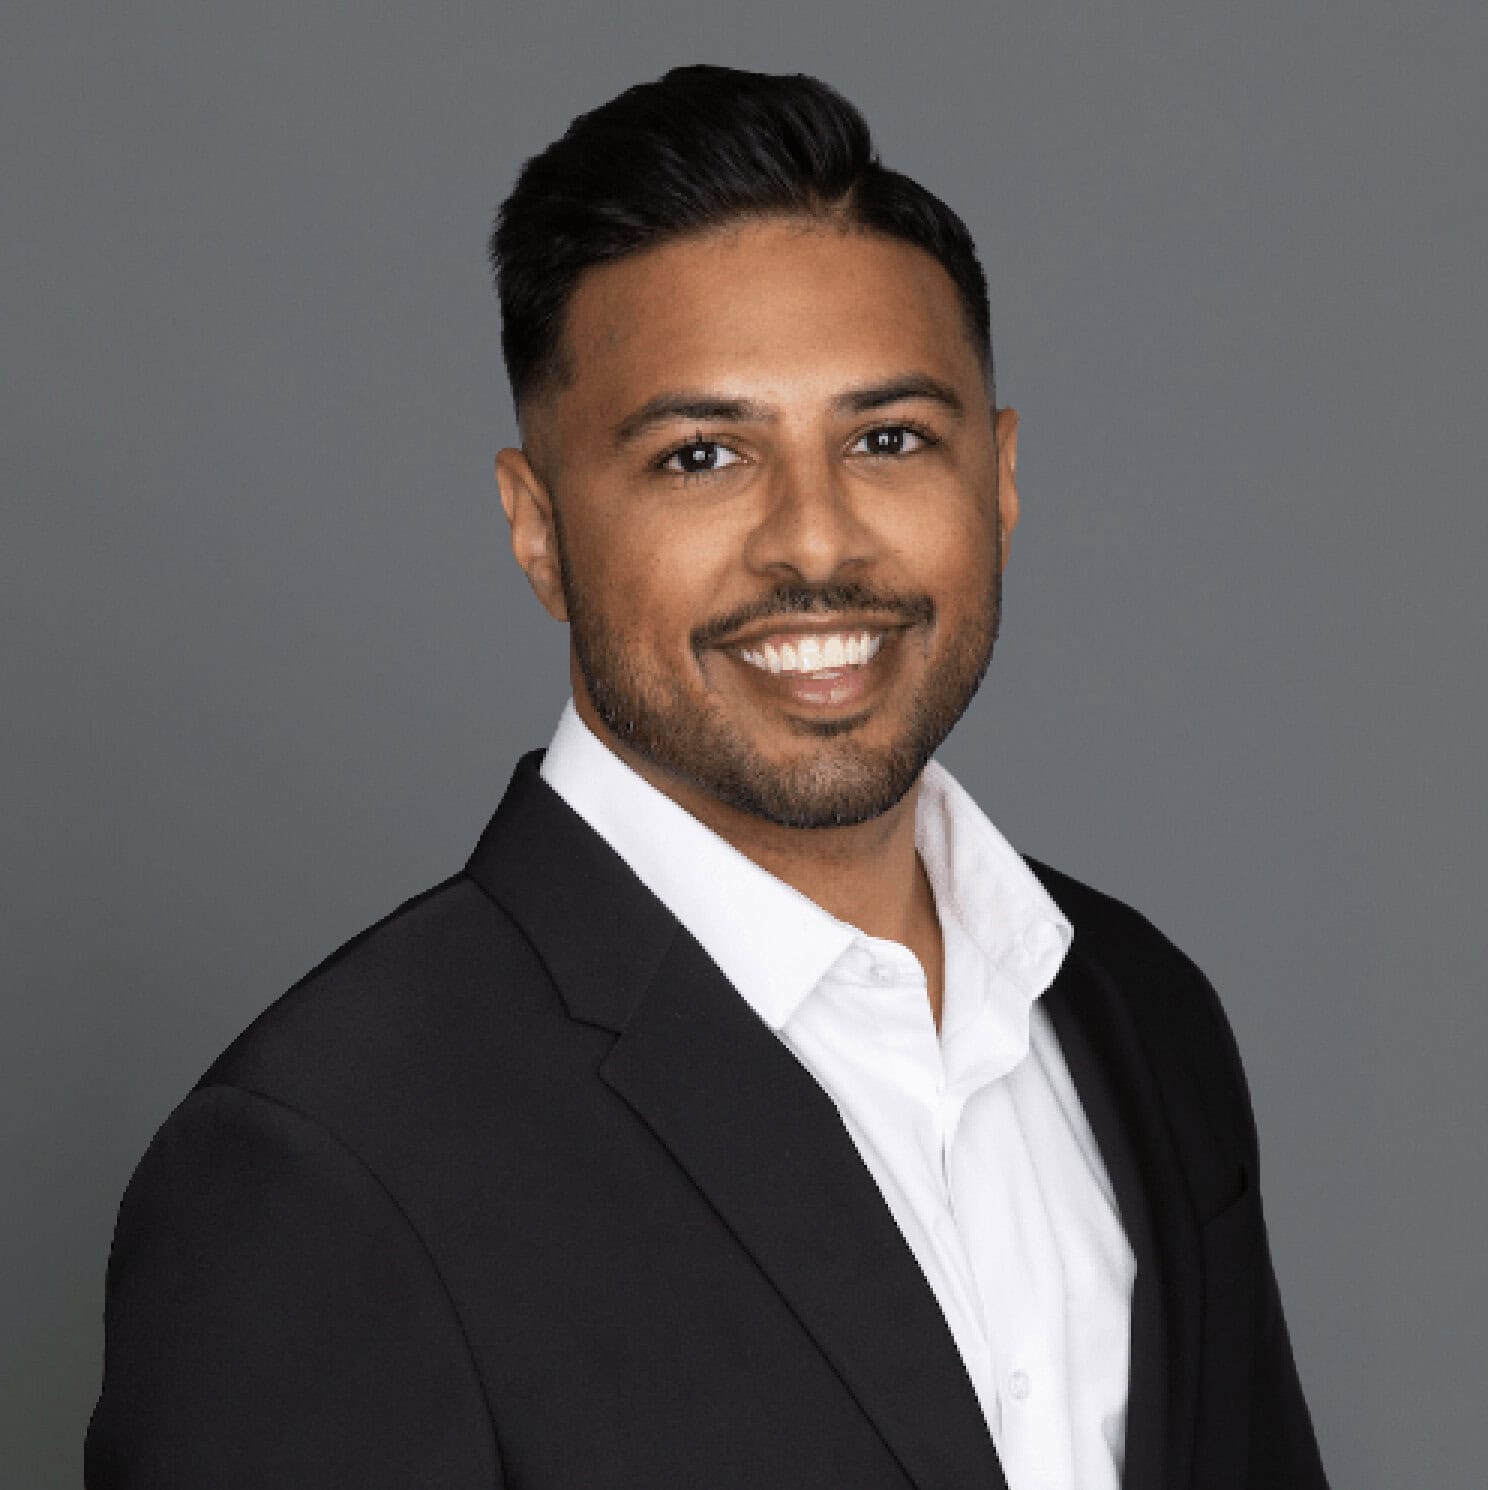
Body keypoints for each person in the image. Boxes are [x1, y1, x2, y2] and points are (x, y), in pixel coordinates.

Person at [85, 64, 1330, 1490]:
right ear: (538, 526)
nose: (816, 540)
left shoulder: (1141, 1013)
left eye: (887, 438)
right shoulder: (323, 1166)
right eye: (702, 456)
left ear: (998, 479)